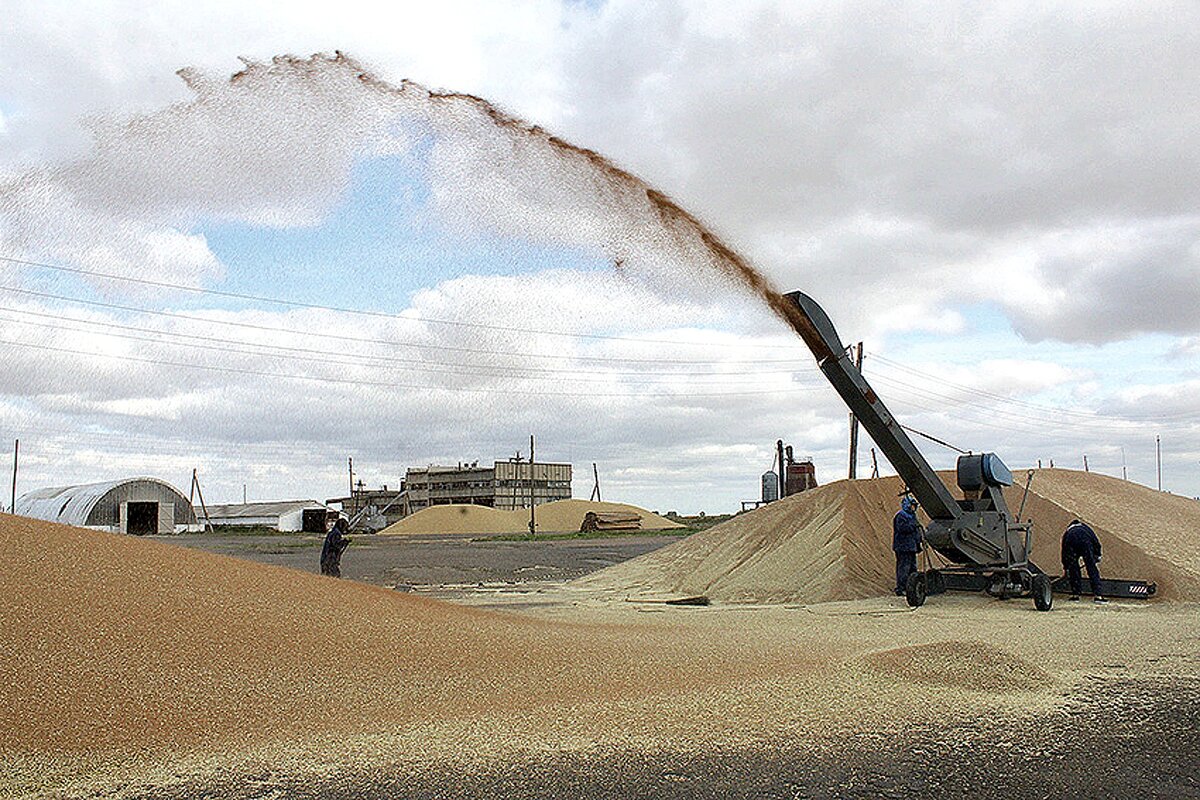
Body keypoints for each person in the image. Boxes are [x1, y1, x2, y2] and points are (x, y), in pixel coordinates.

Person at [1061, 518, 1106, 603]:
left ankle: (1075, 595)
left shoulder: (1068, 532)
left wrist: (1066, 566)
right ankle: (1098, 596)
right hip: (1085, 541)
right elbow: (1096, 541)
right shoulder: (1086, 529)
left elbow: (1064, 550)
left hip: (1071, 541)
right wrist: (1097, 555)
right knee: (1091, 568)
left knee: (1073, 568)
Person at [892, 496, 923, 596]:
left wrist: (919, 541)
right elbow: (902, 529)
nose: (914, 508)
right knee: (904, 568)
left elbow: (916, 532)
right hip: (903, 546)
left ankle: (911, 587)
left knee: (912, 568)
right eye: (913, 505)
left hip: (911, 546)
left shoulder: (912, 516)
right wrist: (913, 526)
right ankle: (901, 588)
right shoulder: (901, 516)